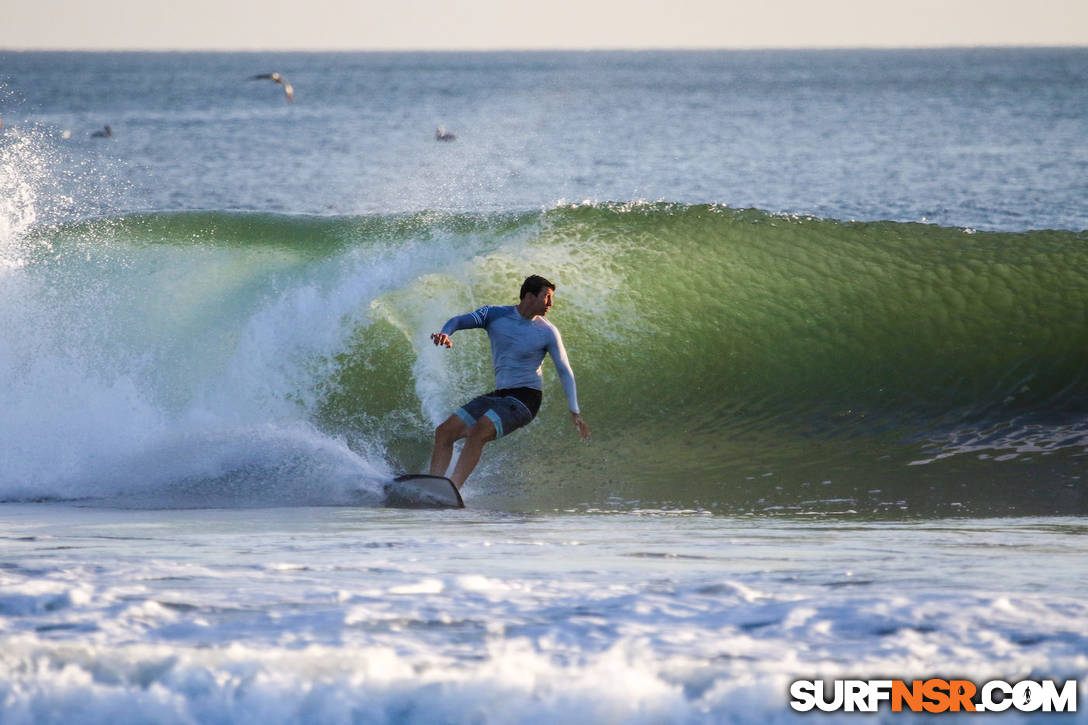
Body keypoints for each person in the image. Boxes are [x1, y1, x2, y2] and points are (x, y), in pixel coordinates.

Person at [428, 275, 590, 488]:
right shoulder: (494, 314)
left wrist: (574, 411)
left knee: (479, 431)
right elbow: (458, 321)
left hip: (526, 399)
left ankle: (451, 489)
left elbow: (564, 370)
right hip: (501, 395)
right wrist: (445, 333)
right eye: (547, 297)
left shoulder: (547, 331)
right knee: (444, 431)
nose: (551, 304)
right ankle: (432, 486)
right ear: (530, 296)